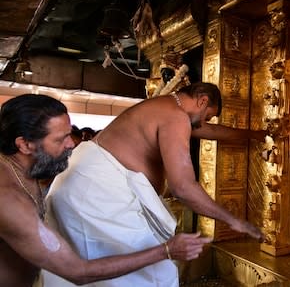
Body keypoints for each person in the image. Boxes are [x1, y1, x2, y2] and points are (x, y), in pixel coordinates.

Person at [44, 82, 266, 286]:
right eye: (208, 116)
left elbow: (210, 131)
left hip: (82, 188)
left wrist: (257, 135)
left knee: (115, 271)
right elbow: (183, 188)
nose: (205, 123)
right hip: (95, 193)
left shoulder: (165, 108)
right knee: (150, 275)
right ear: (202, 100)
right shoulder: (175, 116)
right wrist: (233, 221)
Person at [0, 94, 212, 287]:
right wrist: (166, 251)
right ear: (25, 145)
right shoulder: (9, 199)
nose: (70, 145)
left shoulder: (27, 170)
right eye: (59, 139)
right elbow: (77, 271)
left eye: (68, 134)